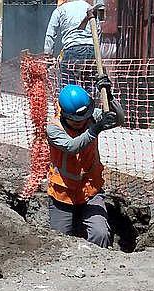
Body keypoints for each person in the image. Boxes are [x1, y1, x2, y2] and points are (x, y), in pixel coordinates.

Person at [46, 75, 125, 247]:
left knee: (100, 233)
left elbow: (118, 120)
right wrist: (95, 129)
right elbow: (72, 146)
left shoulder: (91, 118)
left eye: (85, 118)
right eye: (77, 120)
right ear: (66, 116)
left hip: (91, 191)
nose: (82, 122)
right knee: (57, 242)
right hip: (63, 195)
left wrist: (110, 98)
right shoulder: (53, 129)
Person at [43, 0, 99, 87]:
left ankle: (70, 100)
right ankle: (89, 100)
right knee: (89, 85)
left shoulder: (60, 10)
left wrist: (48, 55)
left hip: (72, 50)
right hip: (91, 50)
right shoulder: (88, 6)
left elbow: (50, 33)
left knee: (68, 85)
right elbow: (97, 29)